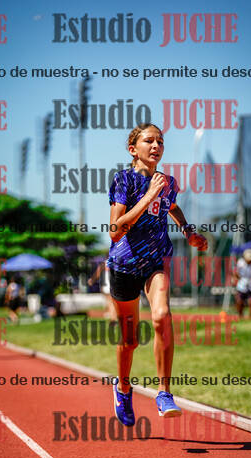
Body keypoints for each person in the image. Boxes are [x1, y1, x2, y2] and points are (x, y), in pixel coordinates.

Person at [106, 122, 207, 427]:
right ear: (132, 149)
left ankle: (164, 393)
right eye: (149, 141)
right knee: (130, 341)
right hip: (124, 266)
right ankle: (123, 389)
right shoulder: (123, 180)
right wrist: (149, 195)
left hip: (155, 263)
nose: (156, 146)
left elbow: (172, 206)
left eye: (160, 141)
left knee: (162, 316)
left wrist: (187, 231)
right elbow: (115, 231)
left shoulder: (168, 182)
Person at [234, 249, 251, 318]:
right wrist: (240, 279)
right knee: (239, 301)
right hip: (241, 285)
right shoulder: (240, 262)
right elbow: (236, 273)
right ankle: (240, 315)